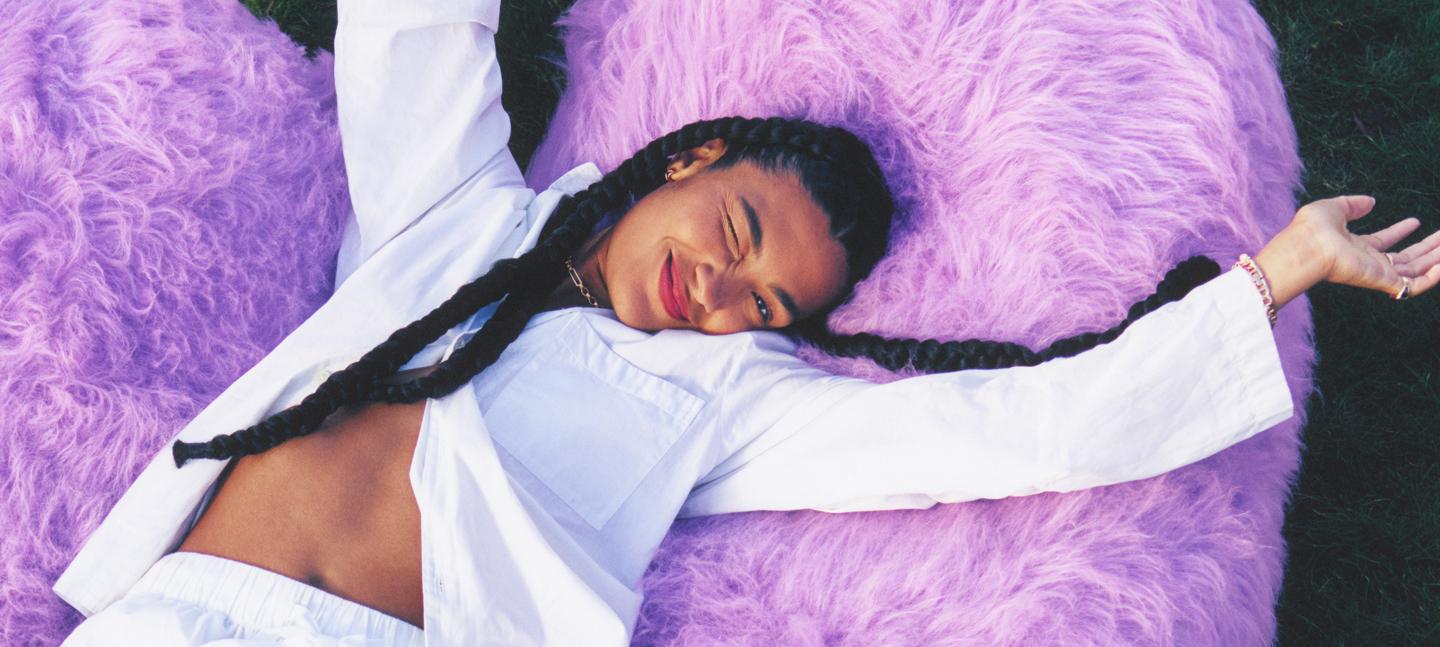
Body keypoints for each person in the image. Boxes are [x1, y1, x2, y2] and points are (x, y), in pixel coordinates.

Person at [54, 0, 1439, 645]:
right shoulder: (460, 219)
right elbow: (411, 36)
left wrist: (1272, 277)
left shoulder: (721, 401)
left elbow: (1004, 431)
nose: (715, 296)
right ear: (682, 164)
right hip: (171, 615)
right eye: (731, 239)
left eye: (761, 303)